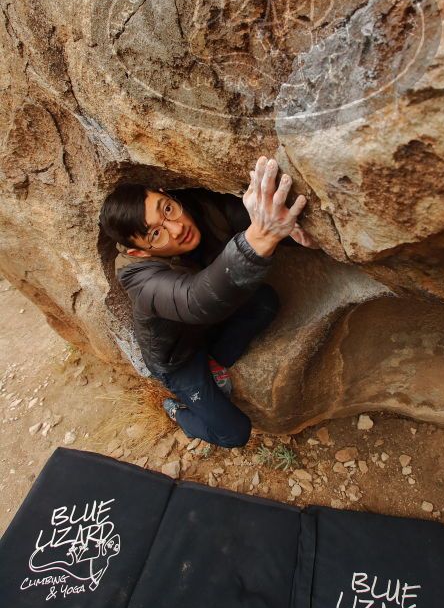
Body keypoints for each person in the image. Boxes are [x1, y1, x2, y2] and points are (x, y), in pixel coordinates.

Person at [99, 156, 319, 448]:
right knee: (234, 433)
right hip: (180, 358)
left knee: (265, 301)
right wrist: (261, 236)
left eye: (167, 209)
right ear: (138, 252)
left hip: (208, 328)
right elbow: (194, 299)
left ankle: (214, 361)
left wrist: (299, 233)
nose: (176, 228)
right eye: (155, 233)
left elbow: (243, 216)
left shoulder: (199, 207)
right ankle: (177, 411)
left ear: (167, 194)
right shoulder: (139, 279)